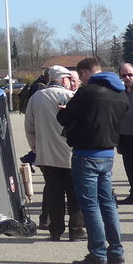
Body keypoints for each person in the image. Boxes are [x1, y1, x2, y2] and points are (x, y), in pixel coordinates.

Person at [57, 57, 129, 264]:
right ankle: (116, 251)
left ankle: (98, 254)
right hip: (107, 154)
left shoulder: (87, 92)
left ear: (85, 73)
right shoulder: (121, 93)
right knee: (108, 203)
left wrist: (62, 111)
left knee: (90, 205)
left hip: (86, 153)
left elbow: (65, 118)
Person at [24, 65, 83, 240]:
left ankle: (55, 230)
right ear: (64, 79)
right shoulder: (71, 96)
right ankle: (76, 230)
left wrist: (36, 147)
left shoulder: (36, 98)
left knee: (54, 193)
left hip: (46, 154)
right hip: (71, 153)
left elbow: (29, 127)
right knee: (74, 193)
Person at [118, 63, 133, 204]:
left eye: (130, 74)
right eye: (124, 75)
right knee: (129, 167)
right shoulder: (120, 93)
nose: (127, 77)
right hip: (124, 136)